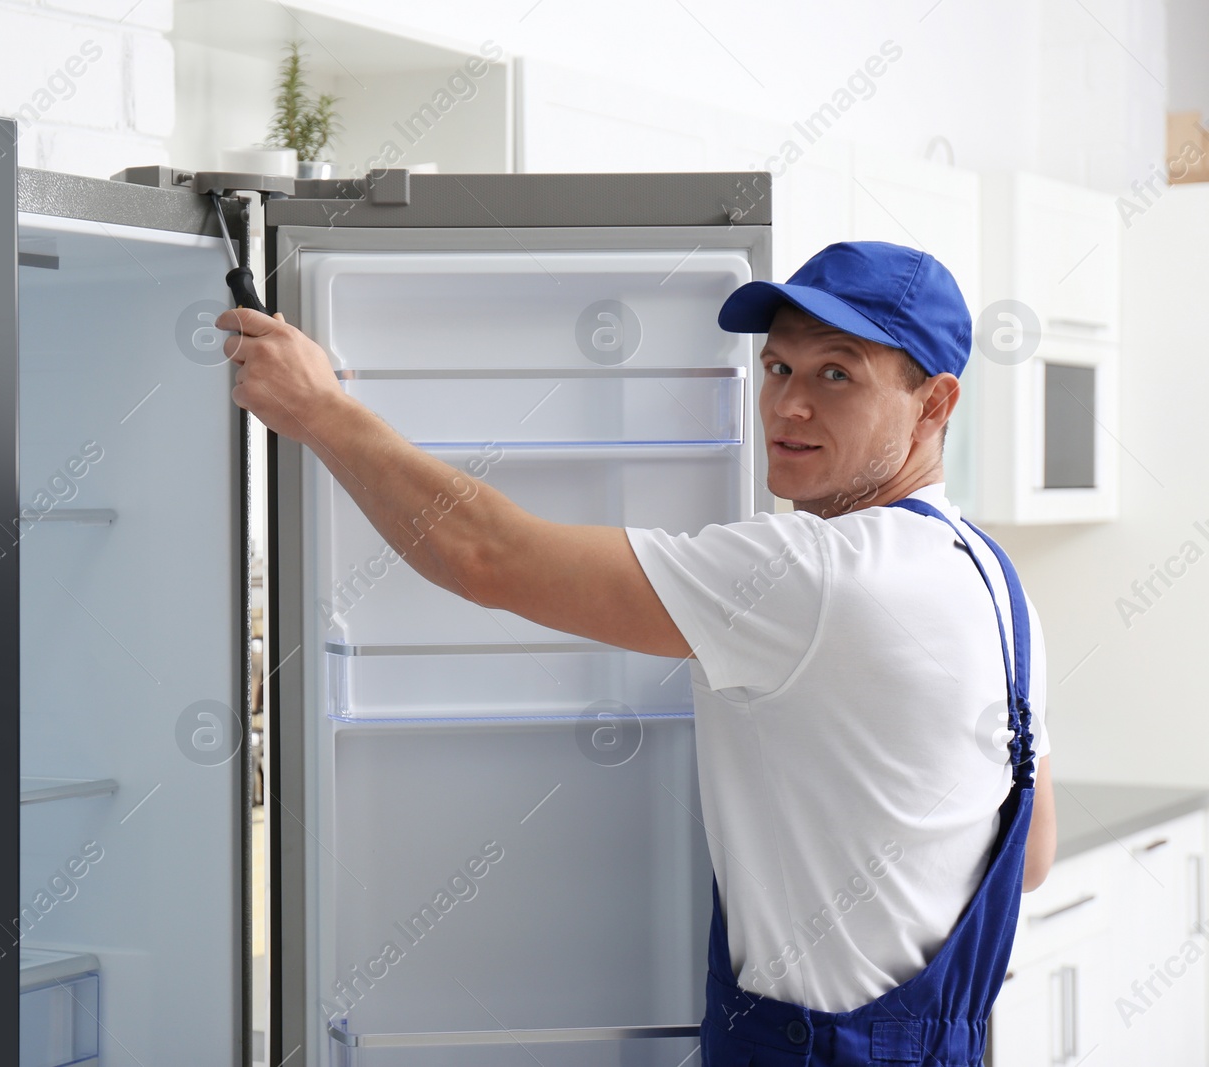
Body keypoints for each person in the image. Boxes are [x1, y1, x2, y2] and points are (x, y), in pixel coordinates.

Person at [217, 239, 1056, 1066]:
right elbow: (1030, 858)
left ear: (935, 403)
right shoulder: (992, 582)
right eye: (778, 368)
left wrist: (322, 411)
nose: (789, 404)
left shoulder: (819, 574)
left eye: (837, 374)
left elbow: (486, 556)